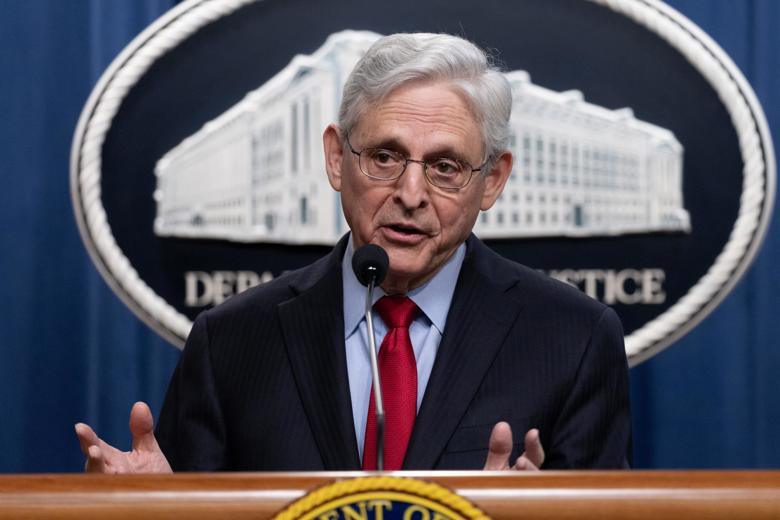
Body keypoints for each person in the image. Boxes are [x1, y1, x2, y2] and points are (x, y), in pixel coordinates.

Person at [75, 32, 630, 473]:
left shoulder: (574, 339)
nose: (410, 194)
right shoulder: (231, 342)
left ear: (492, 180)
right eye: (385, 157)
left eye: (445, 167)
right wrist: (153, 508)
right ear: (337, 159)